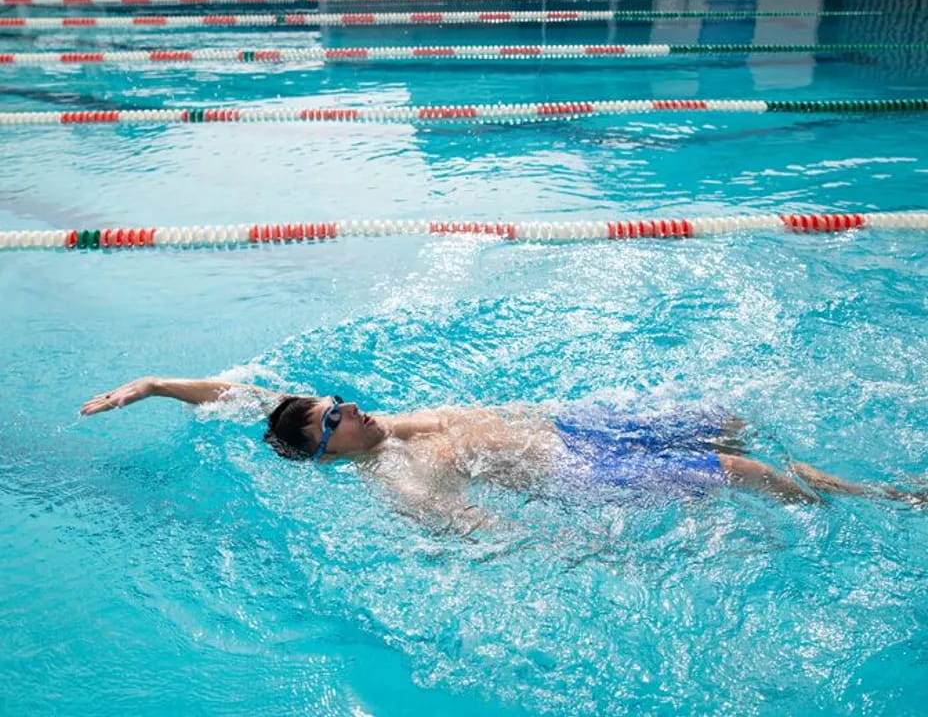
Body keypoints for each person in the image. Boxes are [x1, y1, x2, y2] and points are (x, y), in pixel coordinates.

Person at [80, 376, 925, 533]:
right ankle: (872, 499)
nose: (351, 410)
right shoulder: (402, 479)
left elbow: (240, 397)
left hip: (582, 424)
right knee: (748, 475)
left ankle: (831, 485)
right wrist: (595, 552)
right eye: (335, 418)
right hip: (584, 471)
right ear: (326, 453)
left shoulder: (375, 427)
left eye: (340, 402)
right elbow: (477, 529)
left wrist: (151, 385)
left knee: (731, 422)